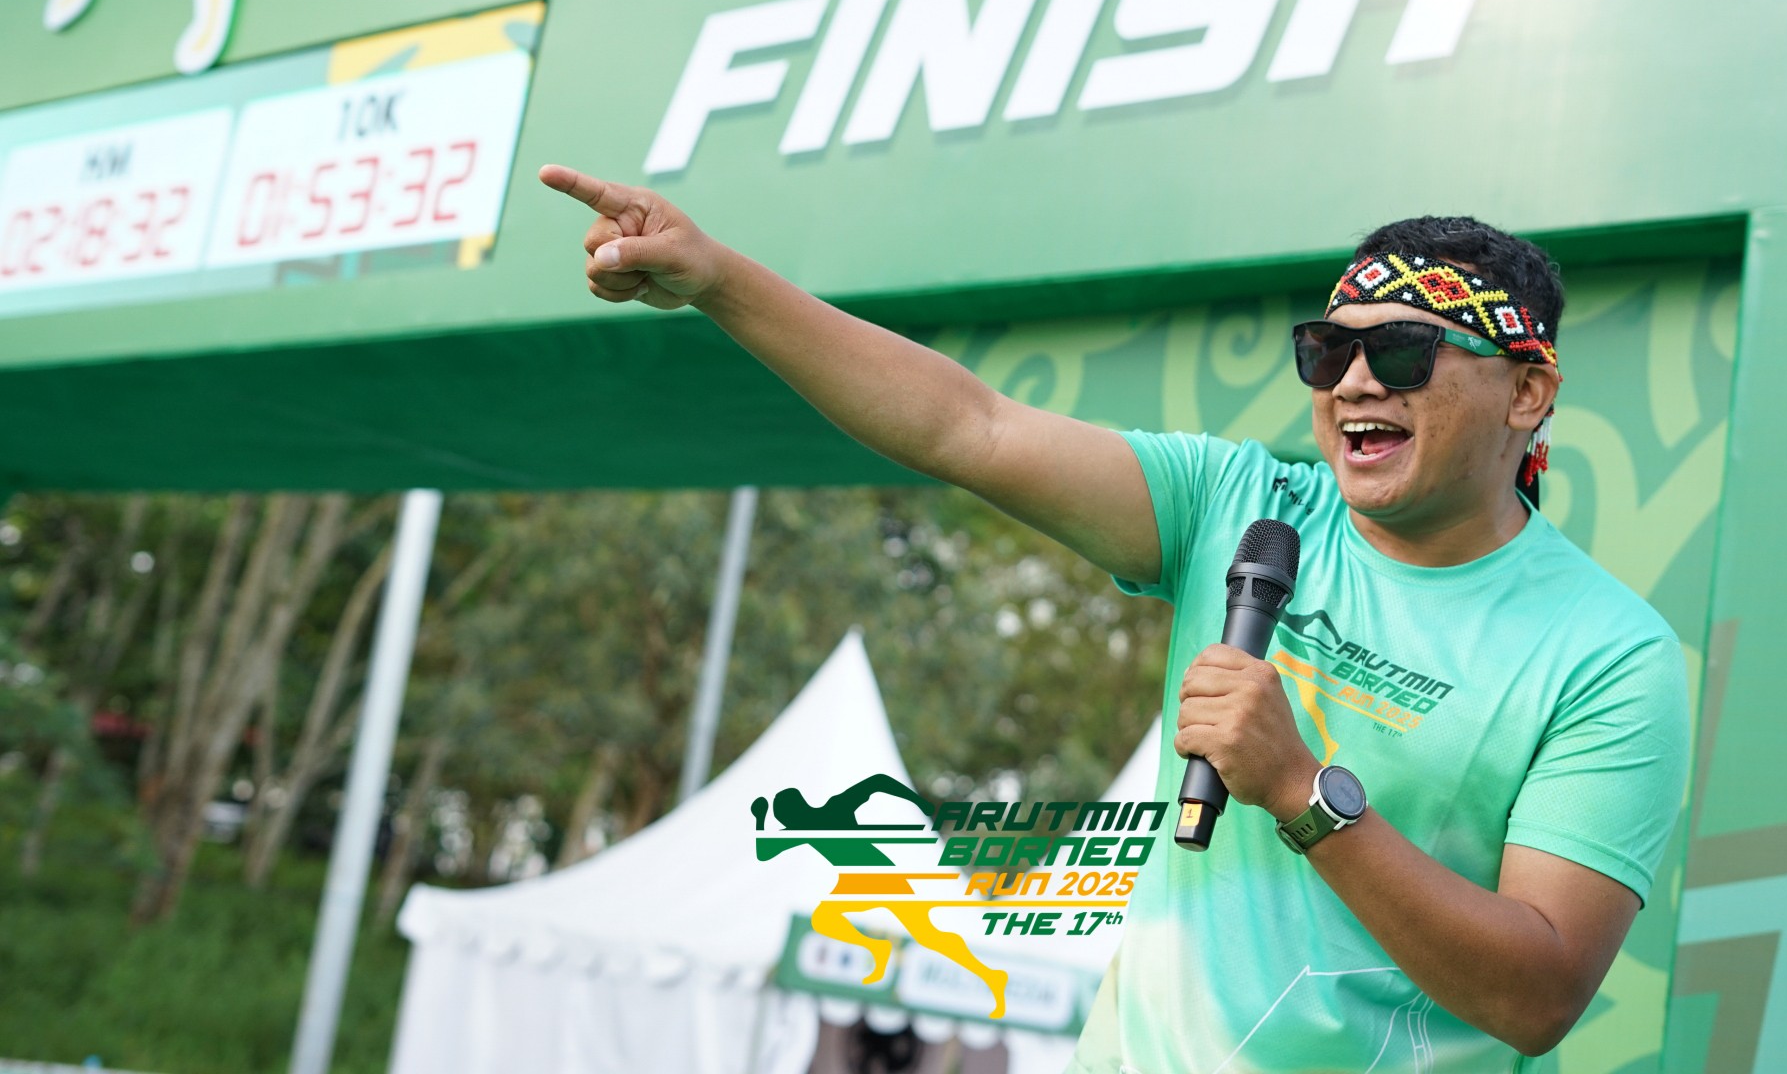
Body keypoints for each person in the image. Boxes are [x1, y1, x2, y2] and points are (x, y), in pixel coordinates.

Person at [540, 164, 1688, 1072]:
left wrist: (1302, 791)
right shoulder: (1242, 504)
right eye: (1328, 349)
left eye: (1403, 351)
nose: (1352, 382)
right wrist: (719, 280)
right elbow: (968, 426)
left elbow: (1539, 991)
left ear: (1527, 391)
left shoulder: (1609, 654)